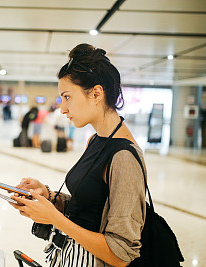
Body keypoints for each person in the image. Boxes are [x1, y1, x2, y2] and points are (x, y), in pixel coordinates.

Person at [10, 43, 147, 267]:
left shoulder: (124, 156)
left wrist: (55, 219)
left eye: (67, 97)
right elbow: (89, 207)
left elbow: (121, 253)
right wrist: (48, 195)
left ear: (96, 93)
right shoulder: (96, 140)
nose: (63, 108)